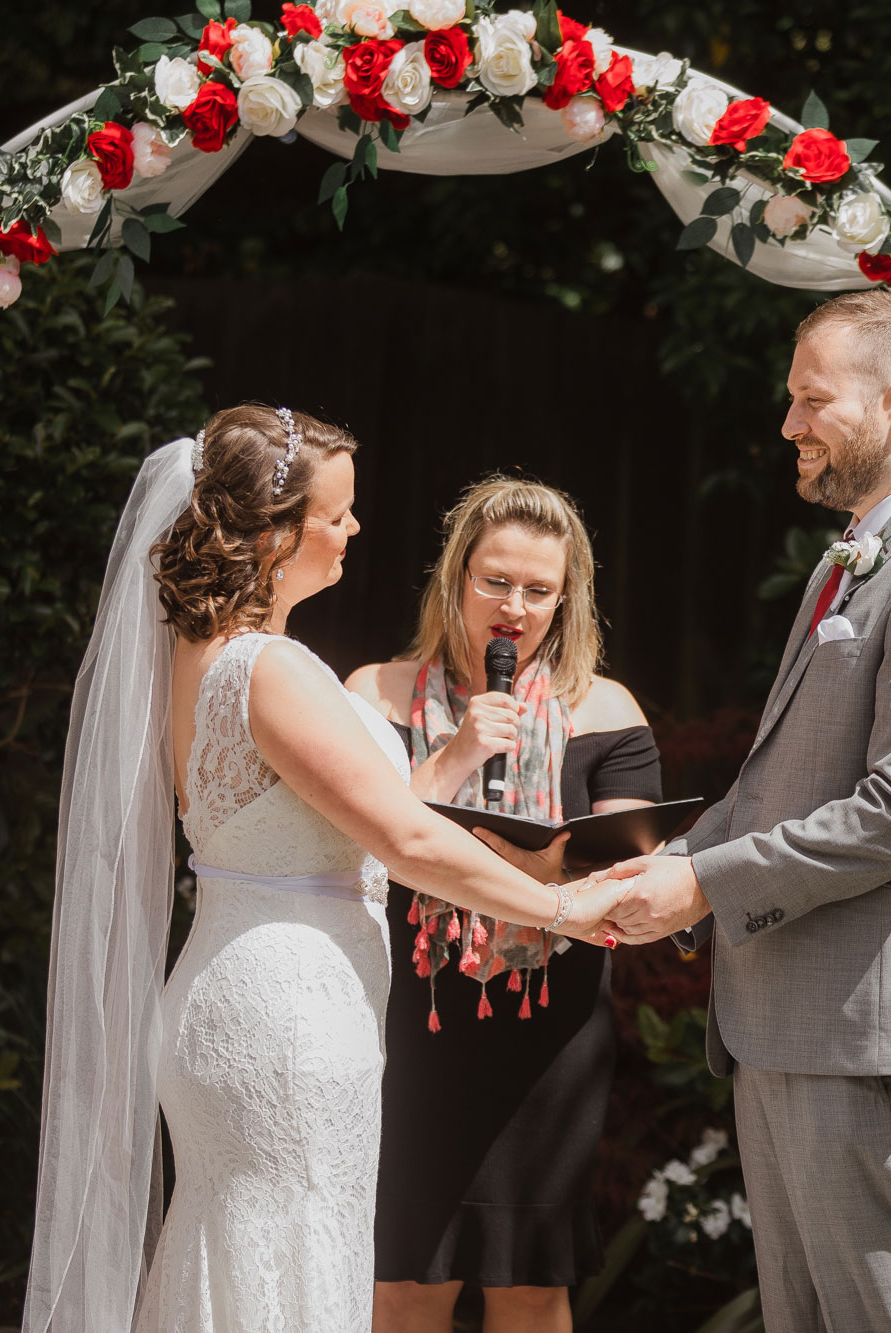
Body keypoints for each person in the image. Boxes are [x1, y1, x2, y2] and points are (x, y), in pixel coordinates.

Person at [20, 406, 625, 1333]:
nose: (352, 530)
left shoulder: (196, 654)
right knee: (292, 1260)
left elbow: (323, 822)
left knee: (243, 1253)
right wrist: (562, 906)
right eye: (335, 514)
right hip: (288, 1014)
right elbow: (408, 844)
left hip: (242, 985)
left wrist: (448, 765)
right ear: (273, 531)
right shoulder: (275, 668)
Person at [595, 291, 891, 1332]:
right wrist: (651, 870)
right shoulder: (851, 557)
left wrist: (699, 883)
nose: (786, 425)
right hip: (784, 1020)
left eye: (808, 399)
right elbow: (766, 785)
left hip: (867, 1028)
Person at [345, 478, 662, 1333]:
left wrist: (538, 862)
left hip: (546, 1030)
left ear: (566, 599)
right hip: (408, 1021)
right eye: (495, 581)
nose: (513, 608)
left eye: (538, 589)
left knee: (530, 1281)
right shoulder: (373, 693)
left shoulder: (608, 710)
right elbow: (351, 847)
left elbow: (631, 879)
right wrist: (450, 757)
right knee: (405, 1279)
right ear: (456, 578)